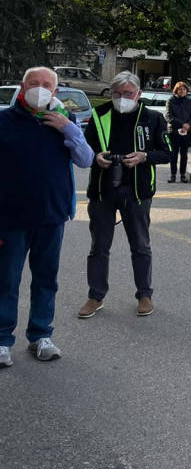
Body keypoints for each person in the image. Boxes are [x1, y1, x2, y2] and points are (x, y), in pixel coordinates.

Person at [0, 67, 94, 366]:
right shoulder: (4, 121)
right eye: (34, 83)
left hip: (52, 216)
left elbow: (86, 160)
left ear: (55, 92)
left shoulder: (65, 122)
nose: (39, 89)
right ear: (22, 86)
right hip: (10, 218)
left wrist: (68, 128)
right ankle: (2, 340)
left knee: (45, 279)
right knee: (6, 280)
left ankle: (40, 335)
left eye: (46, 85)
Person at [79, 71, 172, 319]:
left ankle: (144, 294)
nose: (122, 98)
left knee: (140, 245)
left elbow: (167, 152)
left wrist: (144, 157)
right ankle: (95, 296)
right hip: (102, 190)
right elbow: (84, 149)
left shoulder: (152, 118)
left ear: (138, 94)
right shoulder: (99, 115)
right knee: (99, 246)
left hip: (137, 191)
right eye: (117, 94)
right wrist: (96, 157)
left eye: (128, 94)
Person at [164, 81, 191, 184]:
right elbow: (169, 116)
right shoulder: (171, 101)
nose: (182, 91)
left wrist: (188, 125)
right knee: (173, 154)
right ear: (176, 91)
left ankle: (183, 175)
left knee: (184, 154)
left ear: (187, 91)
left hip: (187, 131)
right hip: (174, 131)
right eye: (180, 89)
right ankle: (173, 175)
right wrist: (182, 124)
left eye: (184, 89)